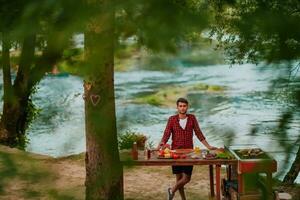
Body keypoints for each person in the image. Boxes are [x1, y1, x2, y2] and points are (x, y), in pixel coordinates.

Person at [157, 97, 218, 200]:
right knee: (179, 178)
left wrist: (208, 146)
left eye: (184, 106)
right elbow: (166, 135)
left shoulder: (192, 118)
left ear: (187, 107)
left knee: (187, 178)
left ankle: (171, 190)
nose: (182, 108)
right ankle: (183, 199)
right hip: (175, 153)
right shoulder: (172, 119)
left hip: (189, 153)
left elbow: (199, 133)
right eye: (180, 106)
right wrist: (159, 146)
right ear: (177, 107)